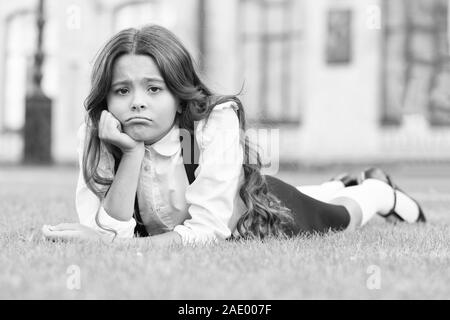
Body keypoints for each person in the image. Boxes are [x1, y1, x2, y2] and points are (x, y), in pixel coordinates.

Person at [41, 25, 426, 246]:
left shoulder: (212, 122)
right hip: (207, 202)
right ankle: (340, 183)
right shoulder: (95, 135)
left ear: (178, 97)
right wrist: (131, 154)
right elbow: (107, 230)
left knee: (338, 216)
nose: (137, 102)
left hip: (253, 209)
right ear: (106, 98)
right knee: (323, 191)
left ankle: (378, 191)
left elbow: (207, 232)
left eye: (154, 89)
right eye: (122, 90)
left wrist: (113, 247)